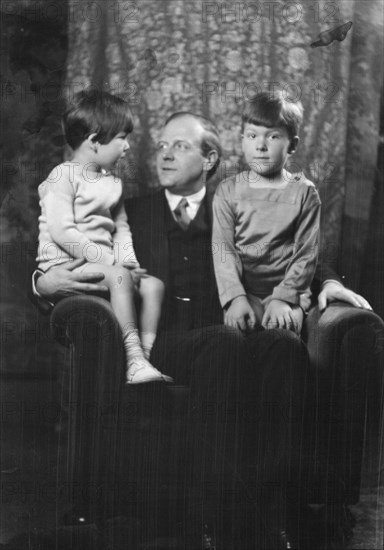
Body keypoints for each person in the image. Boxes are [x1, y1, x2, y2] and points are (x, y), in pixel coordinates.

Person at [33, 111, 373, 548]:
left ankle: (277, 515)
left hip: (230, 334)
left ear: (210, 159)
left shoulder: (235, 205)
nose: (166, 154)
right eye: (162, 146)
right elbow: (62, 248)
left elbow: (292, 251)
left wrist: (328, 283)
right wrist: (43, 281)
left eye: (181, 146)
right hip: (163, 342)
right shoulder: (128, 211)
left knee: (284, 346)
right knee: (225, 344)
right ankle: (216, 522)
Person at [35, 90, 172, 385]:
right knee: (120, 277)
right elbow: (62, 231)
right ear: (95, 141)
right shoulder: (63, 176)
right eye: (122, 137)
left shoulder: (113, 183)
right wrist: (111, 262)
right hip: (67, 264)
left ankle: (143, 359)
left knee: (154, 286)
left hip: (106, 266)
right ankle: (132, 357)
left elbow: (120, 228)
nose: (127, 146)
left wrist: (129, 262)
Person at [212, 91, 321, 335]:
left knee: (282, 337)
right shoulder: (228, 191)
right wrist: (235, 297)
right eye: (252, 136)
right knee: (235, 340)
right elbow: (223, 252)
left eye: (273, 136)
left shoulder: (305, 193)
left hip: (289, 295)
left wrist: (283, 298)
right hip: (244, 293)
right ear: (242, 140)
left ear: (292, 144)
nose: (260, 146)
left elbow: (306, 255)